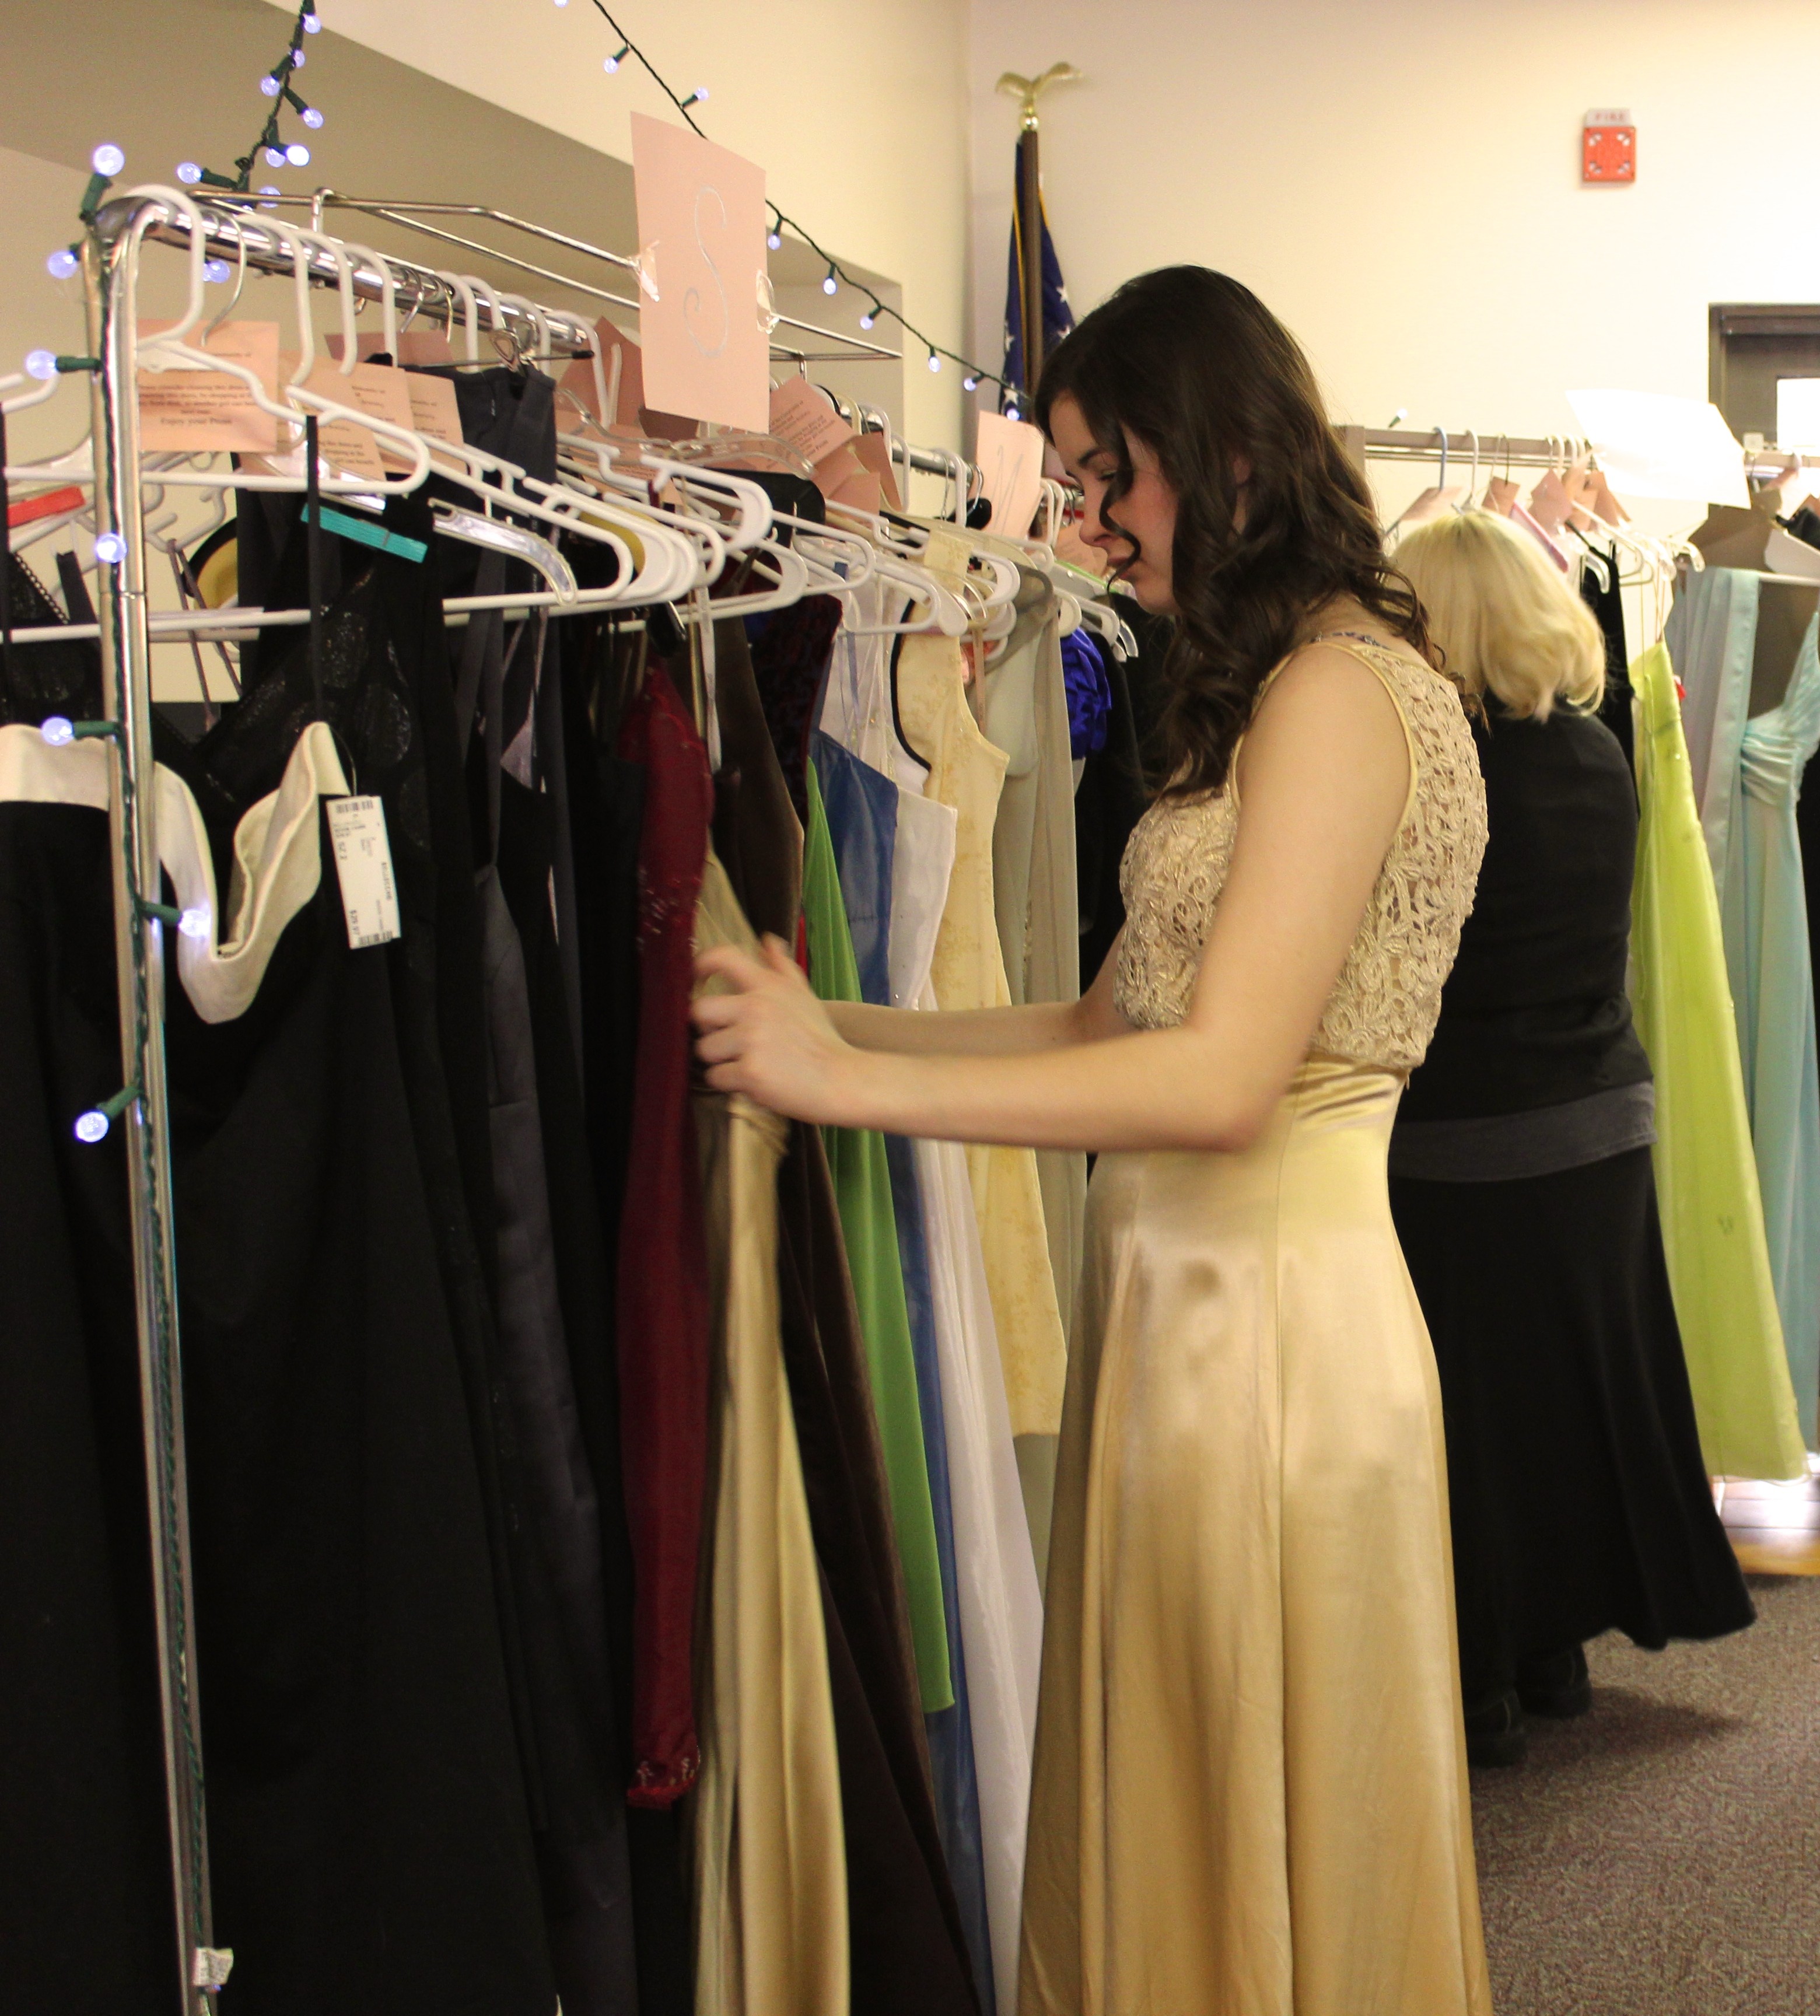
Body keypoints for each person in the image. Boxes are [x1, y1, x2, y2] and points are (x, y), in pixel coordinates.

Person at [691, 267, 1494, 2010]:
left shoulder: (1345, 698)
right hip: (1190, 1326)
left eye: (1098, 472)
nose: (1080, 519)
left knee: (1261, 1795)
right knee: (1184, 1791)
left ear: (1213, 456)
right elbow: (1101, 1024)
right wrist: (834, 1025)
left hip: (1273, 1343)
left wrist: (848, 1087)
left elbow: (1217, 1083)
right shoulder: (1276, 693)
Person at [1385, 510, 1752, 1769]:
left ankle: (1480, 1672)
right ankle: (1551, 1656)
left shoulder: (1430, 772)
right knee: (1562, 1397)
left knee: (1468, 1416)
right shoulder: (1601, 756)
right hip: (1595, 1120)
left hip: (1456, 1128)